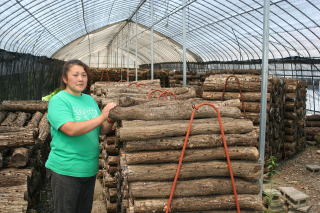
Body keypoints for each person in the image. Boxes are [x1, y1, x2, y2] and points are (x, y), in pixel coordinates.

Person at [45, 59, 116, 213]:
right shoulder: (59, 101)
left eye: (84, 75)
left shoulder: (89, 100)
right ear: (65, 78)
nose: (80, 79)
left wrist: (110, 118)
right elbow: (70, 129)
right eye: (75, 75)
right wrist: (102, 116)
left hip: (88, 170)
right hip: (65, 170)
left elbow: (101, 129)